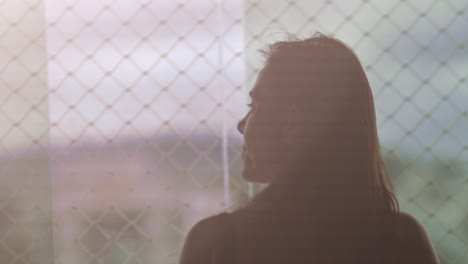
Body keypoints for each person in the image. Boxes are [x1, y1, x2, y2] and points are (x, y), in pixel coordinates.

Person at [179, 33, 440, 264]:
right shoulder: (402, 240)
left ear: (292, 122)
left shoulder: (215, 244)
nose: (241, 125)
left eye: (255, 106)